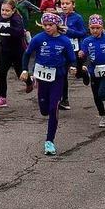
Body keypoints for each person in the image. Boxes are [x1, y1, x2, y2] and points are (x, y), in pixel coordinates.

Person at [20, 13, 76, 156]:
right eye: (45, 25)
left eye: (50, 25)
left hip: (57, 78)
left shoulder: (64, 41)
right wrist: (25, 70)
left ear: (57, 25)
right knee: (44, 110)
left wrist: (72, 67)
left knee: (53, 108)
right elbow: (27, 54)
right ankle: (32, 81)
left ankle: (49, 141)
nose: (47, 27)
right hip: (42, 78)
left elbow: (71, 58)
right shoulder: (39, 38)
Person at [0, 0, 33, 107]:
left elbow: (19, 32)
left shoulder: (16, 19)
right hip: (5, 51)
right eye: (2, 10)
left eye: (7, 11)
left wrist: (7, 29)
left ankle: (30, 82)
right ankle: (2, 98)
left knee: (20, 73)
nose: (4, 12)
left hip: (18, 51)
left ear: (13, 11)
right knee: (1, 74)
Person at [59, 0, 88, 110]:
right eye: (62, 4)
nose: (64, 6)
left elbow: (83, 33)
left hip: (75, 50)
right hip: (63, 50)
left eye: (67, 3)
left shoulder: (77, 18)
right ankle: (65, 100)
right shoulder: (59, 17)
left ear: (73, 5)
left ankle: (83, 72)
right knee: (63, 74)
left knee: (76, 73)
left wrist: (70, 31)